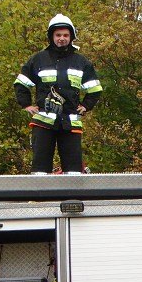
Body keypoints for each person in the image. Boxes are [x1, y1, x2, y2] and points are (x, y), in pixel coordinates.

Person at [14, 14, 103, 174]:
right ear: (51, 37)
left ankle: (72, 191)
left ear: (71, 37)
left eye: (66, 35)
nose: (62, 38)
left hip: (70, 123)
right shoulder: (38, 59)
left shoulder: (81, 62)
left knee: (74, 171)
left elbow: (95, 88)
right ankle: (40, 191)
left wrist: (86, 105)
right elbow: (21, 83)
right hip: (43, 122)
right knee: (40, 170)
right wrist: (26, 105)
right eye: (58, 35)